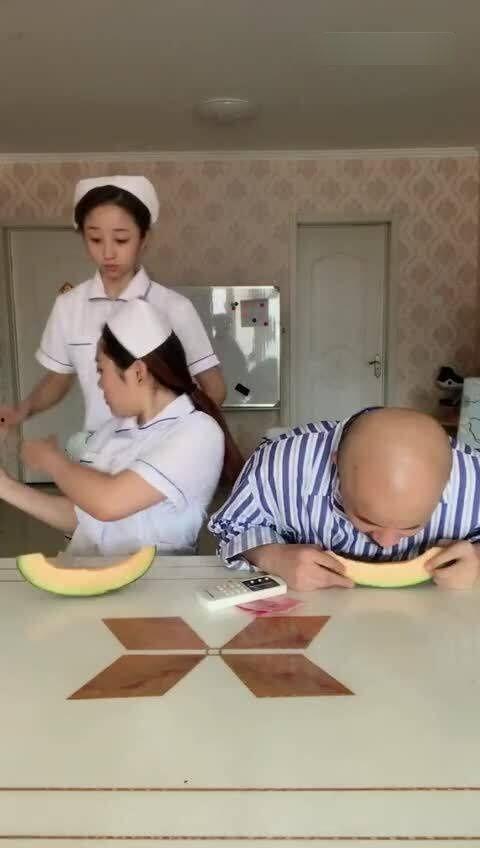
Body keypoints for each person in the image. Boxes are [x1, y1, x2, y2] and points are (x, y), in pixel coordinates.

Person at [0, 299, 242, 557]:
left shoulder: (198, 432)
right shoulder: (110, 431)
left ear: (138, 372)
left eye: (101, 370)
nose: (100, 384)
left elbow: (109, 503)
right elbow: (84, 516)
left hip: (153, 578)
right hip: (89, 572)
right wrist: (5, 485)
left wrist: (52, 462)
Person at [0, 175, 226, 447]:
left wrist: (183, 440)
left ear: (144, 238)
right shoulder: (69, 306)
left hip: (159, 453)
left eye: (121, 239)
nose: (108, 253)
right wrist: (21, 411)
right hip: (98, 452)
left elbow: (215, 389)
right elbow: (59, 378)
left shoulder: (174, 308)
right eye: (95, 239)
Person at [209, 407, 480, 590]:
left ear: (448, 481)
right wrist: (271, 556)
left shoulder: (474, 475)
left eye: (411, 526)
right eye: (367, 520)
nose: (385, 543)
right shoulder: (281, 462)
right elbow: (232, 527)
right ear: (337, 465)